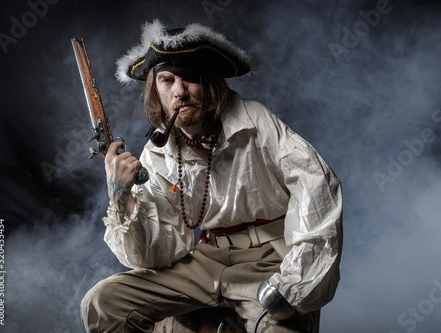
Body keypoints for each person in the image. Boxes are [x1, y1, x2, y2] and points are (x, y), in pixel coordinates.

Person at [81, 19, 343, 333]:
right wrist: (121, 195)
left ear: (210, 82)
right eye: (167, 80)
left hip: (273, 259)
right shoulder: (158, 151)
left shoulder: (256, 122)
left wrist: (295, 282)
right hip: (207, 259)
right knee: (102, 304)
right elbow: (159, 253)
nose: (179, 91)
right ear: (156, 91)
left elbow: (317, 189)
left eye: (190, 79)